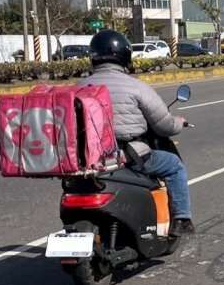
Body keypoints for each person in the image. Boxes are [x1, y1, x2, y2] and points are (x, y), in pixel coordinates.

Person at [83, 30, 194, 234]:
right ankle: (182, 218)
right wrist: (179, 122)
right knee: (174, 166)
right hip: (126, 156)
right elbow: (164, 125)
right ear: (125, 56)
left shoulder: (79, 87)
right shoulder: (136, 87)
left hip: (87, 159)